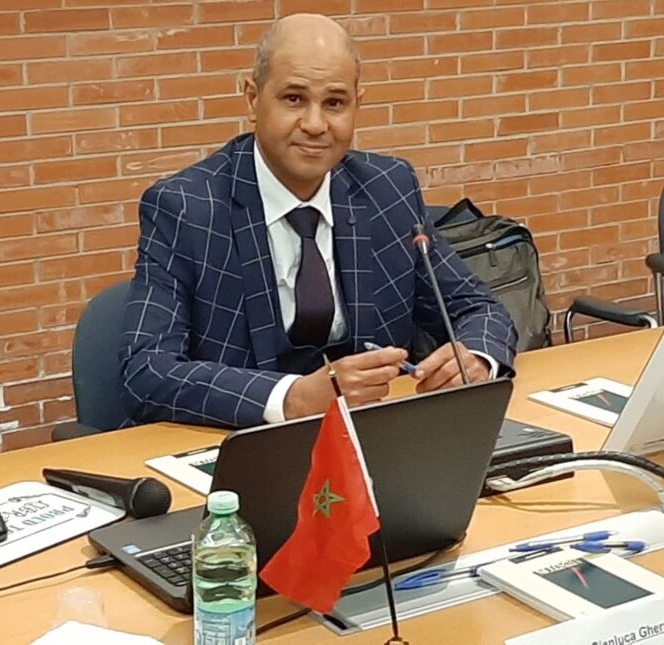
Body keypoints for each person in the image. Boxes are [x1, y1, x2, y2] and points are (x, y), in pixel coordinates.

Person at [120, 13, 517, 429]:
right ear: (253, 98)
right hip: (240, 441)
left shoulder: (388, 190)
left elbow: (478, 307)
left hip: (371, 437)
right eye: (294, 99)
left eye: (335, 103)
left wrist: (477, 357)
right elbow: (146, 371)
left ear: (358, 105)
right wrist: (291, 399)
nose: (314, 125)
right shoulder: (186, 208)